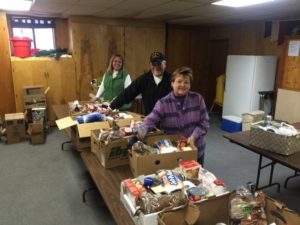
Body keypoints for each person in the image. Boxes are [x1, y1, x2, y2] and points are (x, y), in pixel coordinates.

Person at [141, 66, 209, 165]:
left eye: (186, 82)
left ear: (190, 85)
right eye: (179, 81)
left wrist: (194, 136)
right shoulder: (163, 103)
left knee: (194, 177)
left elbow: (205, 122)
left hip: (195, 149)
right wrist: (135, 133)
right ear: (172, 83)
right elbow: (150, 121)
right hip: (173, 153)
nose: (183, 85)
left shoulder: (198, 99)